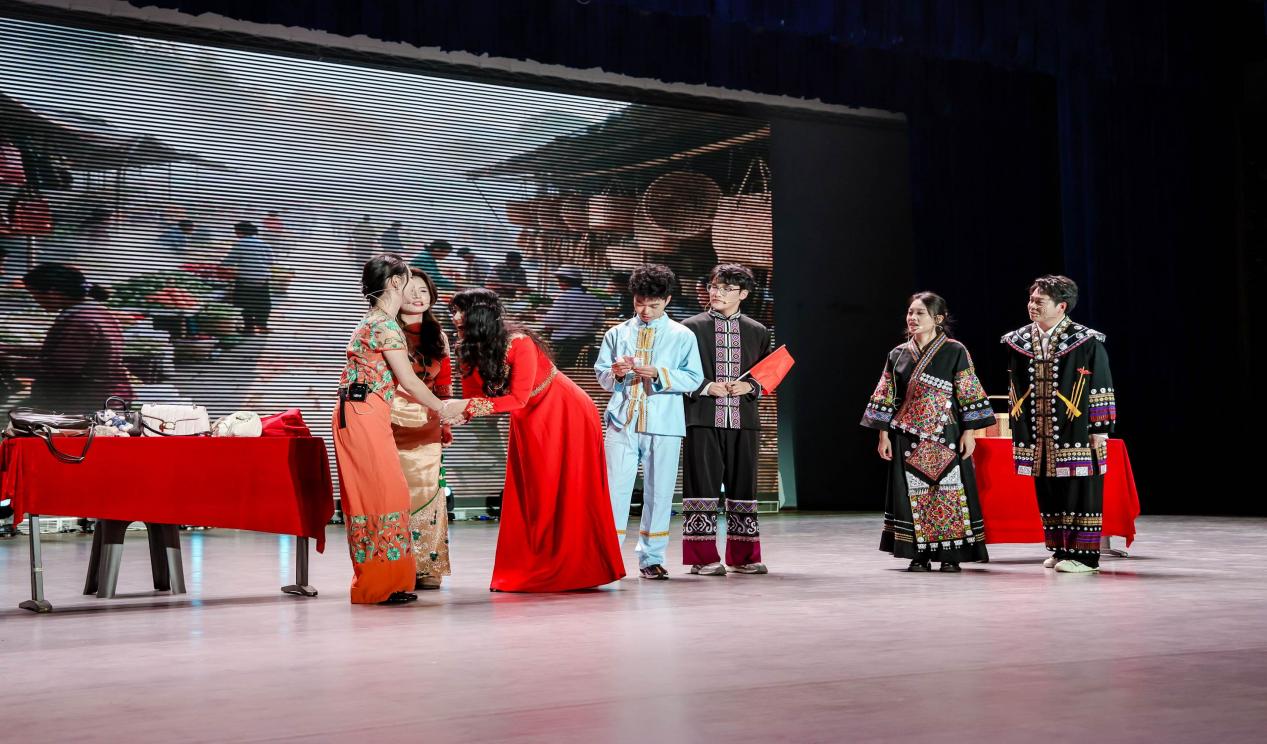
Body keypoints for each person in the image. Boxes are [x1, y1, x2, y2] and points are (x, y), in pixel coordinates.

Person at [446, 288, 624, 592]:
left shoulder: (519, 342)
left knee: (564, 487)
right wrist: (452, 418)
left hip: (566, 412)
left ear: (480, 315)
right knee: (533, 492)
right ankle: (533, 566)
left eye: (461, 310)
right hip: (527, 418)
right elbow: (474, 398)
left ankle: (575, 568)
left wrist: (464, 408)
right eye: (454, 311)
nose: (455, 317)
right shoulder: (467, 348)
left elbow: (517, 398)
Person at [333, 254, 465, 605]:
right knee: (381, 496)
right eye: (408, 281)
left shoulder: (377, 322)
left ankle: (387, 581)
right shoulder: (385, 325)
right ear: (394, 283)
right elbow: (408, 379)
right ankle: (379, 584)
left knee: (385, 496)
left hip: (367, 411)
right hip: (364, 413)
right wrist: (444, 409)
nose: (414, 291)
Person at [861, 292, 995, 572]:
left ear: (938, 318)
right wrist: (883, 434)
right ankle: (918, 555)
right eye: (910, 312)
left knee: (950, 492)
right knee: (911, 494)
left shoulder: (955, 350)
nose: (913, 318)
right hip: (906, 435)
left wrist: (969, 432)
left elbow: (968, 391)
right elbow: (885, 394)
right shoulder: (897, 354)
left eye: (920, 313)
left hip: (947, 434)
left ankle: (951, 555)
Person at [595, 264, 704, 579]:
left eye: (653, 305)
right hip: (622, 421)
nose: (645, 310)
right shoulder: (616, 333)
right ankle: (608, 558)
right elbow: (602, 375)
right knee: (614, 491)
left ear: (667, 300)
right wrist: (615, 373)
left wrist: (659, 373)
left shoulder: (682, 335)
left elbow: (693, 378)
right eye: (640, 303)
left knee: (659, 493)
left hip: (664, 422)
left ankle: (651, 558)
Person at [1002, 275, 1116, 573]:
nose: (1032, 305)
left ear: (1061, 306)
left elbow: (1101, 383)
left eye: (1039, 301)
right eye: (1031, 299)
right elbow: (1015, 387)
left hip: (1077, 430)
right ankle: (1061, 548)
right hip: (1038, 434)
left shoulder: (1086, 340)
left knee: (1079, 490)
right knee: (1048, 490)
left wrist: (1100, 427)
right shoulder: (1019, 340)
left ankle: (1085, 556)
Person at [680, 264, 771, 575]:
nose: (717, 292)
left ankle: (744, 557)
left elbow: (766, 374)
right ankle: (702, 557)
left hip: (744, 419)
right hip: (702, 417)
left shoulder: (758, 331)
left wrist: (750, 387)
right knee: (701, 487)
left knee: (744, 487)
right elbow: (677, 372)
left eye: (726, 288)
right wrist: (706, 386)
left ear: (743, 294)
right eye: (714, 286)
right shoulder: (689, 328)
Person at [391, 267, 454, 590]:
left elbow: (443, 384)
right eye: (410, 290)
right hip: (388, 422)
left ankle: (428, 565)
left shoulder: (438, 335)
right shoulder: (386, 330)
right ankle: (395, 565)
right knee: (393, 495)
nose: (418, 297)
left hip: (427, 422)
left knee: (429, 493)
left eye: (424, 291)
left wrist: (445, 421)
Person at [20, 263, 133, 413]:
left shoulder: (81, 321)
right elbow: (64, 352)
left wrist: (12, 364)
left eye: (35, 295)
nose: (36, 300)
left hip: (88, 404)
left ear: (53, 292)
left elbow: (62, 368)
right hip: (102, 399)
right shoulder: (95, 312)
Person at [541, 265, 604, 368]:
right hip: (585, 343)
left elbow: (553, 322)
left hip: (565, 345)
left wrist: (543, 318)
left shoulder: (563, 298)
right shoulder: (594, 299)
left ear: (564, 281)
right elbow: (599, 324)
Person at [222, 221, 276, 335]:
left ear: (240, 232)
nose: (236, 234)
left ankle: (249, 328)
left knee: (243, 302)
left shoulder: (240, 244)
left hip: (245, 279)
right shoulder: (264, 243)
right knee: (263, 302)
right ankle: (262, 326)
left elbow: (228, 263)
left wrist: (223, 267)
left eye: (236, 231)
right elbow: (271, 261)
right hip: (263, 278)